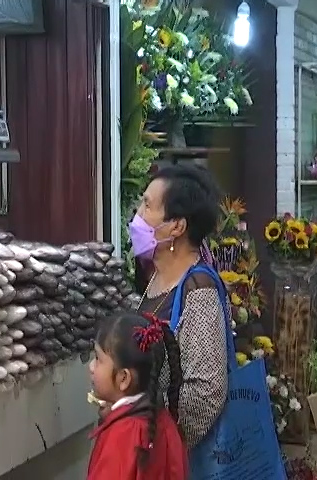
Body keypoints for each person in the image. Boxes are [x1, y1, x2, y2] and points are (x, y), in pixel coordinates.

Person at [128, 163, 227, 448]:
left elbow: (208, 391)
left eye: (147, 206)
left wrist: (160, 445)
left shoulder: (198, 289)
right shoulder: (157, 277)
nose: (138, 217)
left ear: (176, 226)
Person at [87, 312, 187, 480]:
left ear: (124, 378)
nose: (91, 366)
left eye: (98, 358)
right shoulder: (163, 421)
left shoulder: (122, 436)